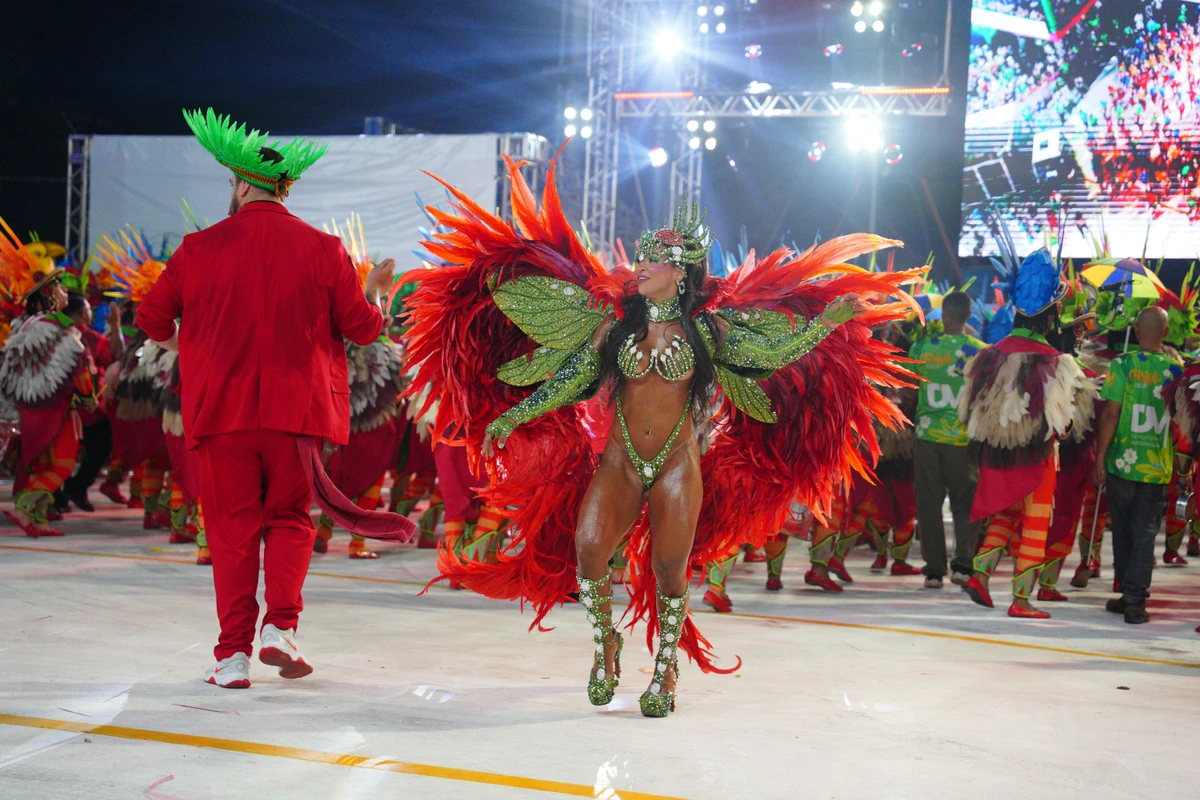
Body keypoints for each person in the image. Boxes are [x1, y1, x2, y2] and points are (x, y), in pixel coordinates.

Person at [402, 156, 921, 717]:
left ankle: (666, 667)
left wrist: (824, 324)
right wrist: (513, 417)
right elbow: (571, 379)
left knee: (670, 570)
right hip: (619, 463)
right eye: (642, 257)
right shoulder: (614, 326)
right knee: (589, 554)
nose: (641, 265)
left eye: (653, 259)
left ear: (679, 272)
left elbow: (769, 355)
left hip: (676, 465)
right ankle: (606, 643)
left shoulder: (707, 330)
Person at [136, 108, 412, 690]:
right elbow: (364, 330)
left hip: (221, 413)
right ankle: (280, 629)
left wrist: (191, 348)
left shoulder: (198, 248)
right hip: (298, 414)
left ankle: (232, 657)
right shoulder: (324, 248)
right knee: (289, 519)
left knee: (231, 531)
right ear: (285, 188)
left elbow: (151, 318)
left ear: (241, 185)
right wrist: (378, 295)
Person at [958, 249, 1085, 619]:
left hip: (997, 454)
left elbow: (971, 409)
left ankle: (980, 574)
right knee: (1034, 520)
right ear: (1051, 314)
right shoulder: (1055, 360)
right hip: (1038, 456)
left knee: (1006, 511)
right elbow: (1062, 423)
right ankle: (1021, 599)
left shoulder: (989, 355)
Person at [0, 222, 97, 536]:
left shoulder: (23, 326)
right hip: (57, 410)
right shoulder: (58, 326)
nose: (64, 291)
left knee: (41, 465)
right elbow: (77, 368)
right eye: (60, 286)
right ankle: (25, 507)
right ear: (47, 292)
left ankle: (36, 520)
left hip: (31, 411)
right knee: (63, 464)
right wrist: (89, 397)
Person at [1094, 307, 1180, 624]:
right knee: (1145, 533)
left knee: (1122, 531)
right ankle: (1134, 600)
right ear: (1165, 333)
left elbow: (1110, 414)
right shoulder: (1176, 371)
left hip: (1122, 462)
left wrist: (1100, 457)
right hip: (1157, 466)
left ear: (1137, 331)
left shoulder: (1122, 365)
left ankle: (1129, 594)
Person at [910, 290, 985, 588]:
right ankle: (963, 565)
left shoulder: (922, 347)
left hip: (927, 437)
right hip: (964, 439)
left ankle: (933, 570)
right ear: (969, 316)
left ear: (943, 316)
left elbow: (908, 388)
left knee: (929, 504)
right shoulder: (981, 352)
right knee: (965, 504)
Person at [59, 291, 115, 512]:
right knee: (100, 446)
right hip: (85, 408)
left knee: (60, 454)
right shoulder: (88, 338)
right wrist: (116, 326)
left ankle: (62, 495)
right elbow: (113, 355)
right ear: (83, 313)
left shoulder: (53, 334)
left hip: (59, 407)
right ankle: (73, 488)